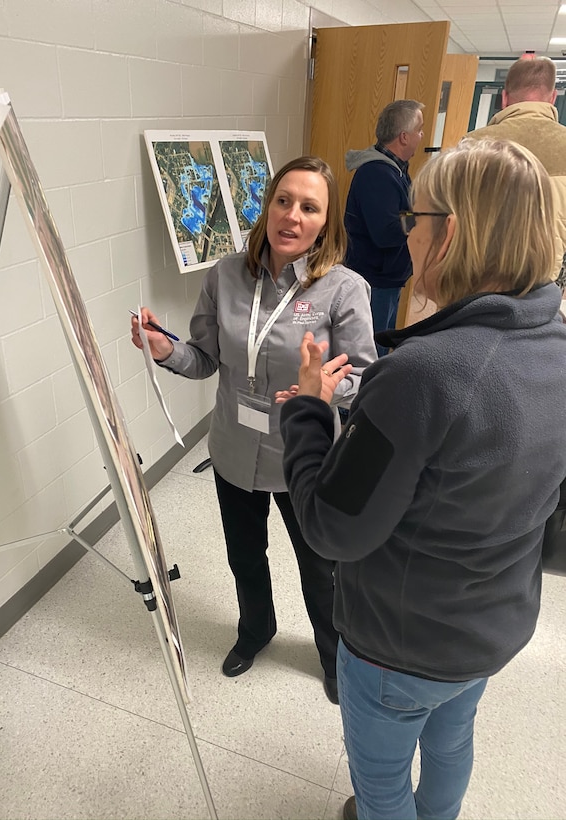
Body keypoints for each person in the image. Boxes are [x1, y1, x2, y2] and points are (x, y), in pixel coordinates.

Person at [277, 139, 566, 818]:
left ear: (451, 233)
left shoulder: (421, 376)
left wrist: (309, 413)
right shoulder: (555, 348)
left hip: (396, 645)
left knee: (379, 786)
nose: (406, 236)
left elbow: (330, 530)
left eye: (415, 220)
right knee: (448, 741)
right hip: (489, 628)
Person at [131, 155, 377, 704]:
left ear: (326, 223)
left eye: (309, 207)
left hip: (305, 456)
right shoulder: (225, 276)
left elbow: (363, 380)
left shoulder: (342, 289)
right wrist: (165, 349)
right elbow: (204, 359)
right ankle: (255, 629)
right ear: (267, 207)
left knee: (320, 566)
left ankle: (335, 657)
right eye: (283, 200)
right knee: (244, 554)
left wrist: (323, 387)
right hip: (235, 448)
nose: (292, 216)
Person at [467, 55, 566, 278]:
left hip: (476, 278)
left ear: (504, 98)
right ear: (552, 97)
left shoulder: (473, 145)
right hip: (543, 280)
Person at [344, 99, 425, 355]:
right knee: (371, 352)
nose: (421, 136)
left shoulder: (396, 170)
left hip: (387, 277)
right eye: (419, 130)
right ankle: (367, 394)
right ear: (403, 137)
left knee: (382, 344)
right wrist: (423, 217)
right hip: (374, 280)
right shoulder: (377, 174)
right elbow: (387, 232)